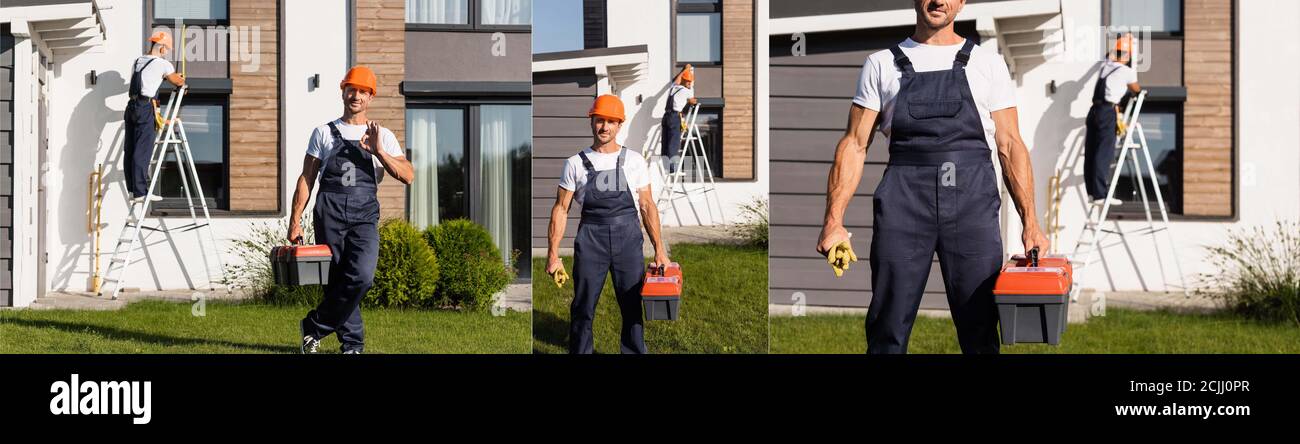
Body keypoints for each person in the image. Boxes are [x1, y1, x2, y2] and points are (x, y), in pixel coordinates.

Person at [815, 0, 1049, 354]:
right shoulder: (881, 64)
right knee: (887, 327)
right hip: (903, 205)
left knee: (980, 329)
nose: (939, 0)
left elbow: (1010, 144)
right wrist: (833, 220)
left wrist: (1030, 222)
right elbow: (854, 145)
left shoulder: (988, 64)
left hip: (972, 205)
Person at [288, 66, 415, 354]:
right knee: (336, 280)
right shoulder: (322, 132)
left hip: (364, 212)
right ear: (343, 91)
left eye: (362, 91)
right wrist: (295, 220)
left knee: (361, 276)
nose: (355, 95)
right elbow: (307, 178)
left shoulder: (382, 135)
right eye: (351, 89)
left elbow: (408, 175)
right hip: (329, 208)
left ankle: (315, 326)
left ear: (371, 97)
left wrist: (379, 151)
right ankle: (352, 345)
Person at [546, 94, 672, 354]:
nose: (605, 127)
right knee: (583, 306)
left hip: (628, 237)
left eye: (611, 122)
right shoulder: (574, 164)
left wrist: (659, 248)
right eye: (600, 120)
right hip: (591, 239)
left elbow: (647, 206)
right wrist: (552, 254)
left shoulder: (635, 161)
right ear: (591, 121)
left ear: (619, 125)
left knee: (632, 305)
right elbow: (561, 209)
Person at [124, 31, 185, 203]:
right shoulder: (163, 64)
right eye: (167, 48)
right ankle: (141, 192)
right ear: (162, 47)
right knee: (143, 150)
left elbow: (146, 80)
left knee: (130, 149)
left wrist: (166, 78)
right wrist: (179, 78)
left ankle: (133, 190)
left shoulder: (137, 61)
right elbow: (177, 82)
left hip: (131, 107)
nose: (167, 52)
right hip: (145, 108)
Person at [1084, 33, 1141, 206]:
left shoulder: (1105, 65)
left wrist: (1126, 41)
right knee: (1104, 153)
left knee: (1091, 153)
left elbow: (1110, 55)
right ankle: (1101, 195)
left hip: (1093, 111)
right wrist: (1133, 44)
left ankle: (1093, 194)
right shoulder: (1126, 71)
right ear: (1127, 55)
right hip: (1107, 113)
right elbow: (1136, 89)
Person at [660, 65, 698, 174]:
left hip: (666, 117)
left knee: (666, 142)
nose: (690, 84)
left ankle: (667, 167)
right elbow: (692, 101)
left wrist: (685, 70)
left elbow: (677, 79)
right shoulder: (686, 91)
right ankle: (673, 168)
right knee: (674, 142)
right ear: (685, 81)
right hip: (674, 117)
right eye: (689, 82)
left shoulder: (674, 87)